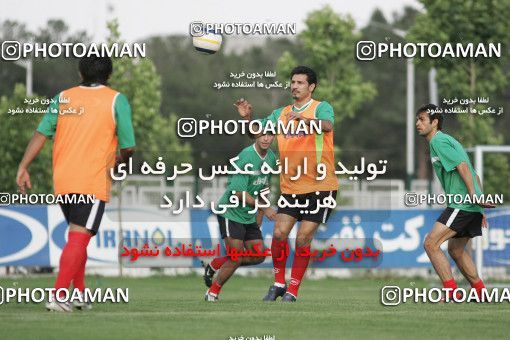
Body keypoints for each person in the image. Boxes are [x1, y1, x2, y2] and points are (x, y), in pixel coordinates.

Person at [16, 56, 136, 312]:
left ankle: (79, 294)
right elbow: (128, 146)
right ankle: (59, 295)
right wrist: (120, 160)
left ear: (80, 73)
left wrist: (23, 166)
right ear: (110, 75)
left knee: (76, 236)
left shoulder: (63, 97)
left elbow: (41, 134)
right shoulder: (116, 99)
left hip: (63, 180)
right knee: (79, 238)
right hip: (91, 179)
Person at [234, 66, 338, 302]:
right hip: (291, 187)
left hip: (320, 186)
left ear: (311, 87)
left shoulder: (321, 107)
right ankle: (279, 283)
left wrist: (304, 118)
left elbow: (328, 126)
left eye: (300, 82)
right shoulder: (280, 113)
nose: (294, 86)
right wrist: (247, 119)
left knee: (302, 239)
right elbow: (258, 134)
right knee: (279, 234)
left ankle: (293, 289)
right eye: (293, 82)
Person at [416, 104, 495, 301]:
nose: (417, 123)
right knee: (456, 250)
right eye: (417, 119)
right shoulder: (446, 140)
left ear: (434, 123)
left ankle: (451, 292)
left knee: (430, 243)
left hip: (462, 203)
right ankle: (481, 292)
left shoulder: (438, 142)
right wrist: (479, 206)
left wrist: (473, 198)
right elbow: (474, 174)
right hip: (471, 205)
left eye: (422, 119)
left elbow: (462, 167)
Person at [204, 133, 278, 301]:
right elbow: (238, 193)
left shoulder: (271, 157)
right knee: (236, 258)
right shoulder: (246, 156)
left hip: (249, 214)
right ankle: (212, 293)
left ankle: (216, 264)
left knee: (259, 255)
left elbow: (264, 186)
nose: (266, 138)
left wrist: (259, 216)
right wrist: (264, 208)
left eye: (270, 134)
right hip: (231, 212)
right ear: (256, 136)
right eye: (262, 135)